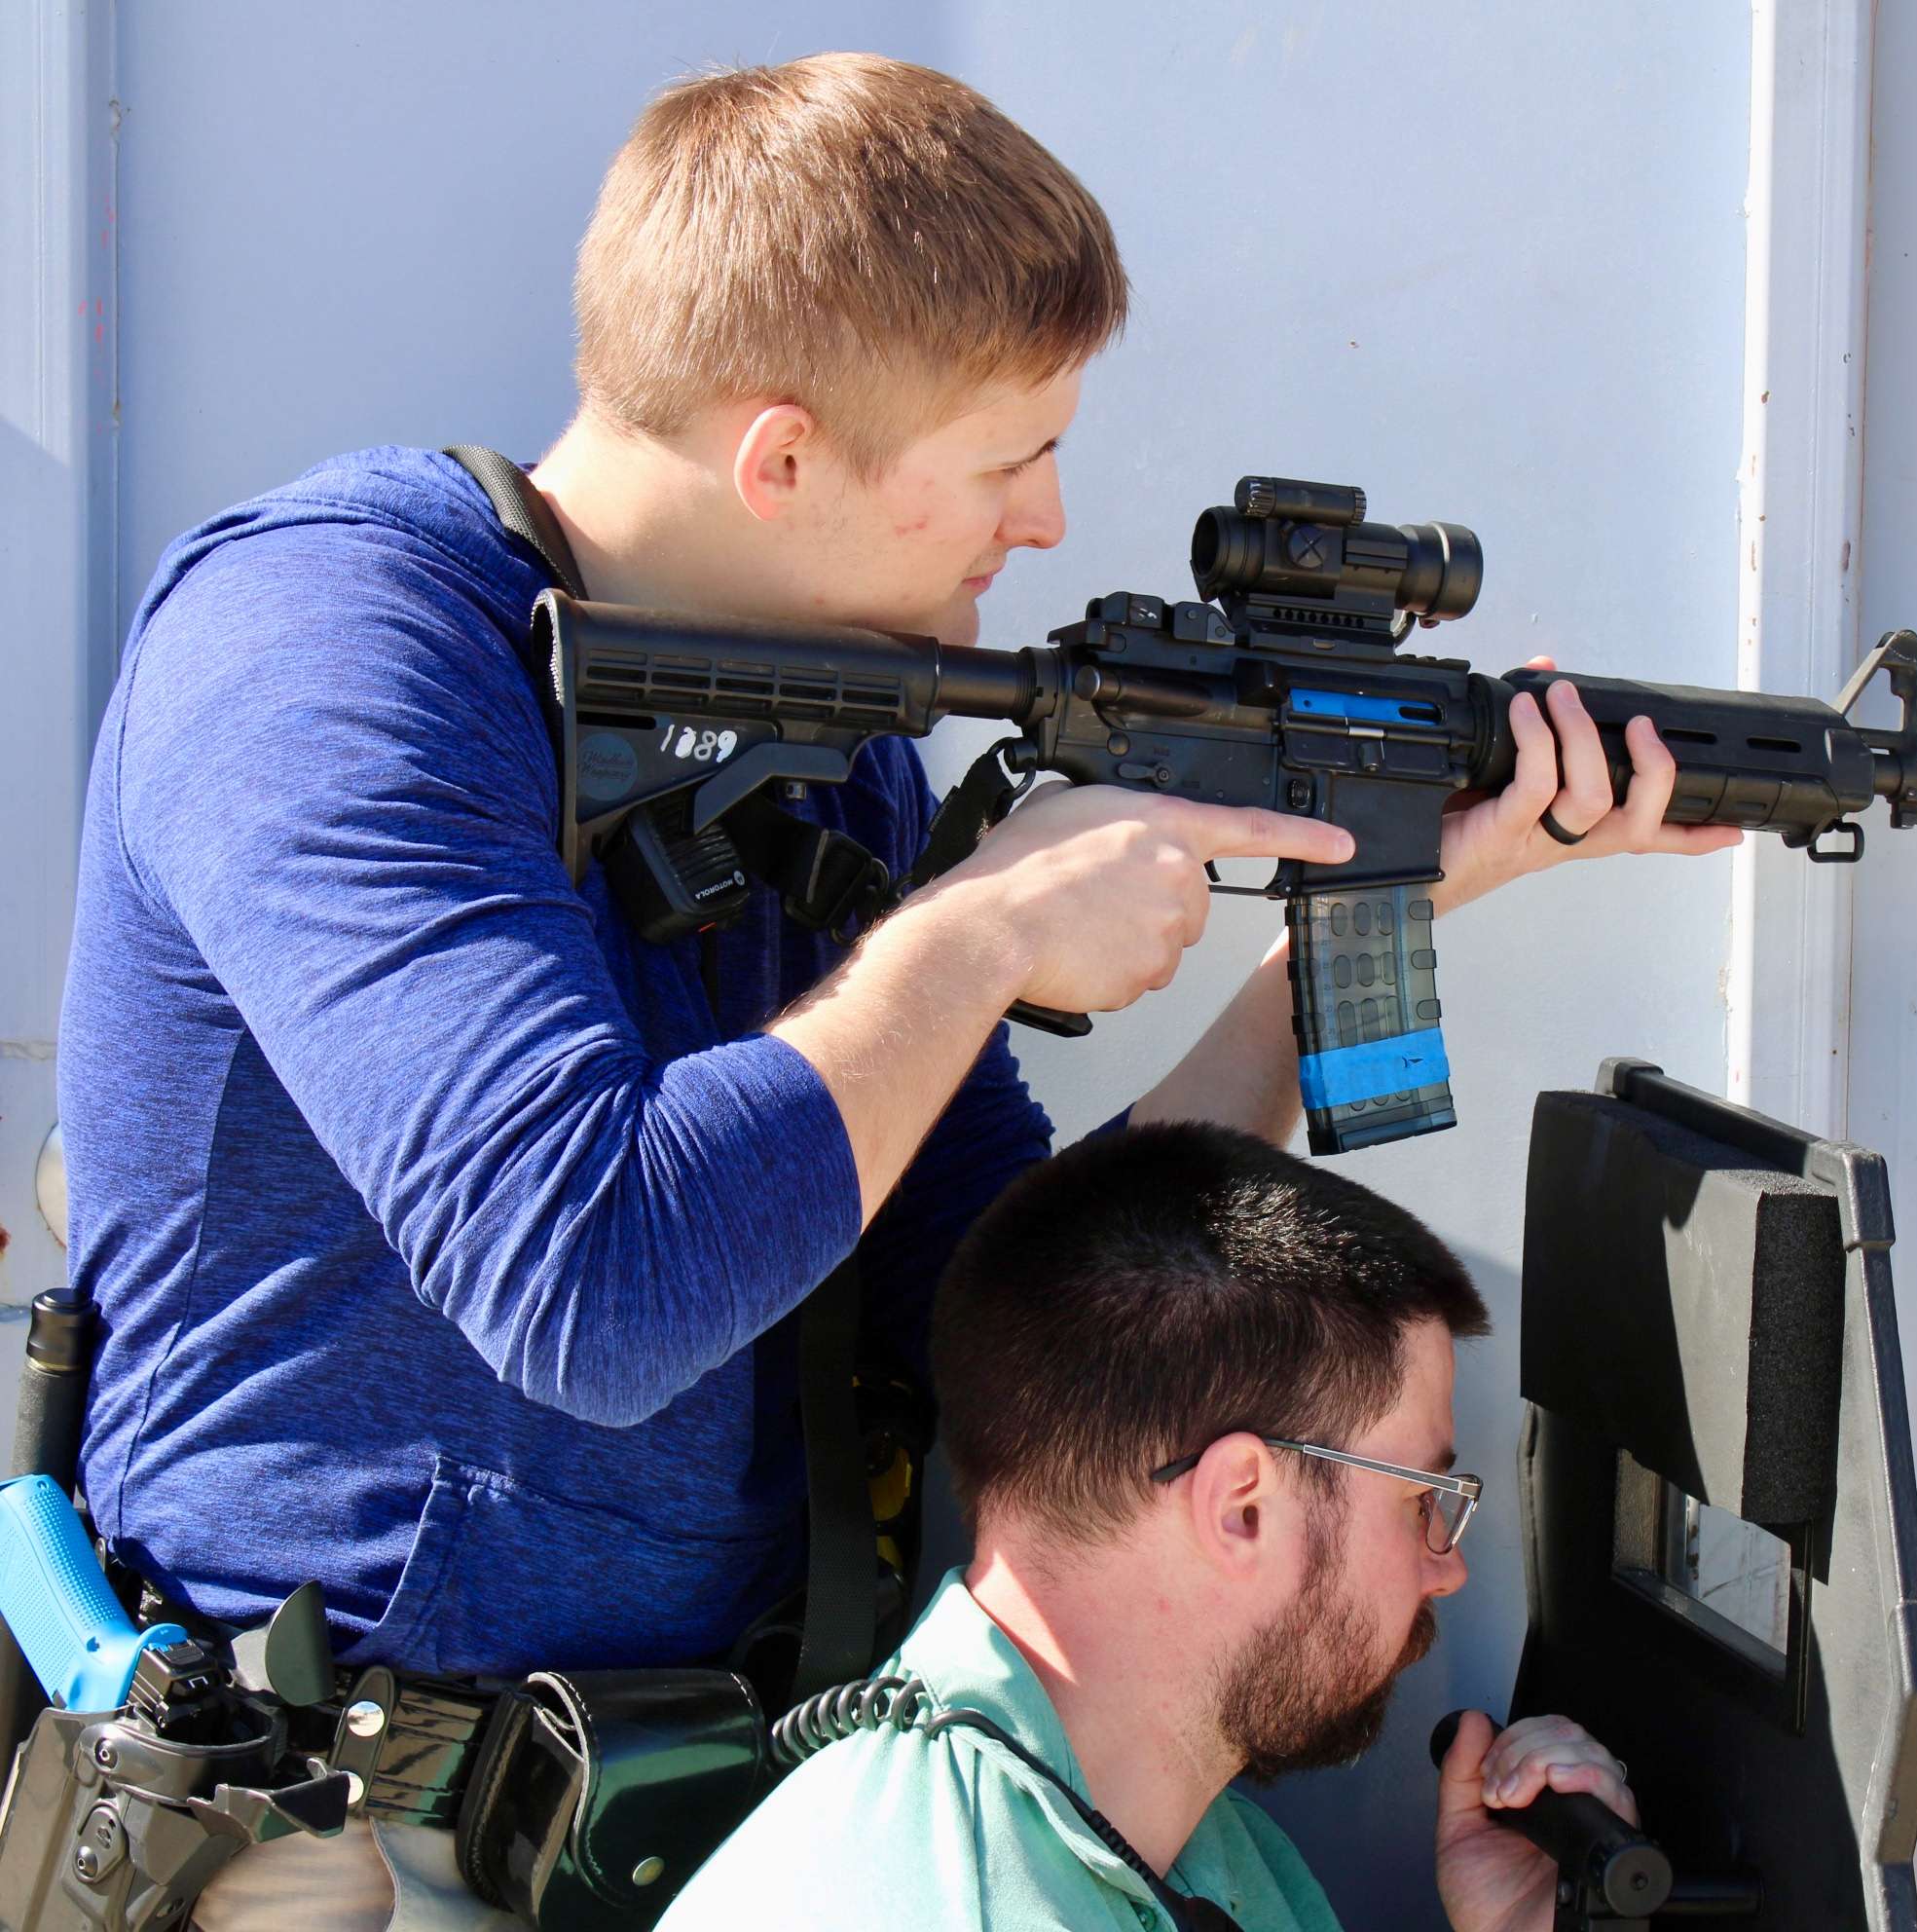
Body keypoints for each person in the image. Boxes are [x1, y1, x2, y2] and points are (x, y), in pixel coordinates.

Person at [54, 51, 1730, 1931]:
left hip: (714, 1804)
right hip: (335, 1844)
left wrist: (1359, 909)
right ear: (781, 459)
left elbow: (1019, 1312)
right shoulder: (319, 657)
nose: (1045, 523)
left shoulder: (823, 733)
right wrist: (985, 933)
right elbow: (592, 1279)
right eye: (1007, 461)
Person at [663, 1119, 1634, 1932]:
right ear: (1240, 1505)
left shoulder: (1199, 1846)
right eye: (1422, 1500)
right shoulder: (940, 1902)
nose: (1445, 1571)